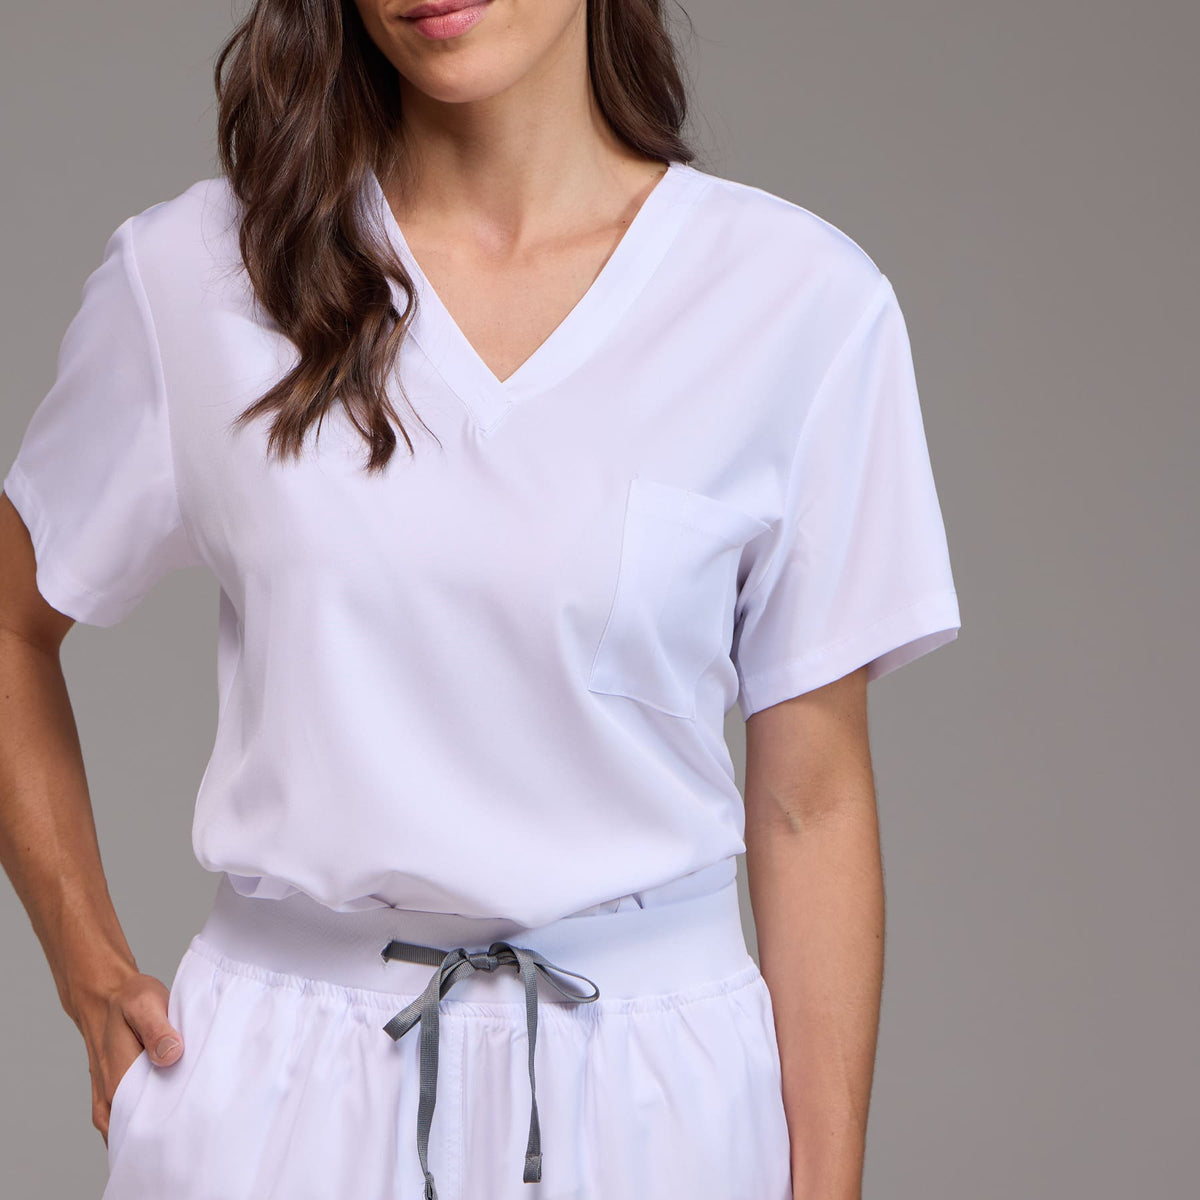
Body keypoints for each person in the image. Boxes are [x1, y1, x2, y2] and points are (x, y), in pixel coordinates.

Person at [0, 1, 962, 1198]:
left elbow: (810, 802)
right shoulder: (198, 277)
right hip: (284, 1096)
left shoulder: (796, 304)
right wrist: (87, 966)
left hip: (656, 1099)